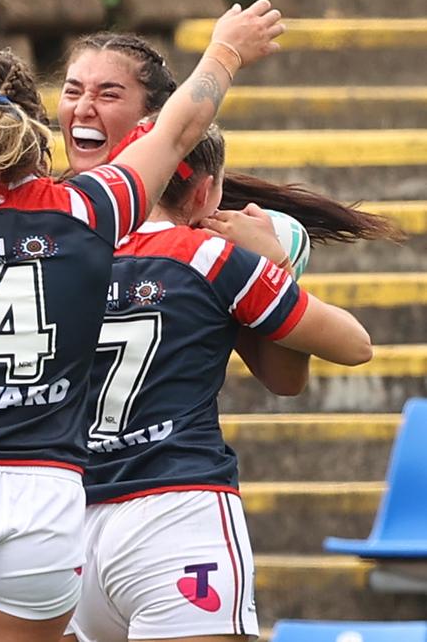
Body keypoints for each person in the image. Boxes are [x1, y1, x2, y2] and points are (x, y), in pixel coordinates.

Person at [0, 1, 285, 642]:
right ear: (37, 128)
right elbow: (181, 128)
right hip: (48, 507)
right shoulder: (90, 210)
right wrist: (225, 50)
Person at [62, 120, 372, 642]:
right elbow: (355, 345)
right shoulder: (212, 257)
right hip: (175, 511)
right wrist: (274, 261)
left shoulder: (65, 251)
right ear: (205, 190)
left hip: (64, 518)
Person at [57, 32, 404, 246]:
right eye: (72, 91)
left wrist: (275, 266)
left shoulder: (225, 239)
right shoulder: (44, 206)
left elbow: (349, 346)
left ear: (163, 115)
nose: (84, 108)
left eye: (108, 95)